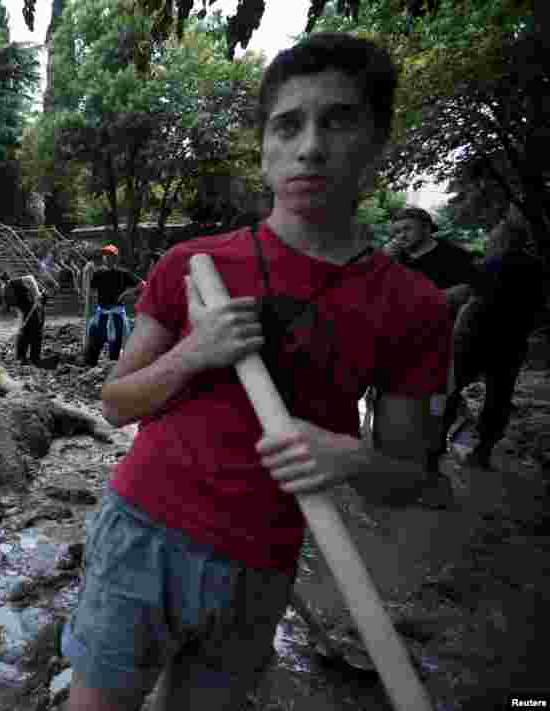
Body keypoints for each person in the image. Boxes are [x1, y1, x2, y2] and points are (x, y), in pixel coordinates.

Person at [62, 33, 453, 711]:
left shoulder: (413, 305)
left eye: (337, 120)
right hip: (141, 533)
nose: (310, 146)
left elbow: (411, 476)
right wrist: (194, 350)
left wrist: (350, 457)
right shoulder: (192, 264)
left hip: (263, 562)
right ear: (265, 150)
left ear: (378, 142)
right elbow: (117, 403)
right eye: (288, 125)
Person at [368, 206, 485, 505]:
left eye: (406, 229)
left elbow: (469, 292)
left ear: (426, 227)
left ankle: (429, 474)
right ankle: (390, 476)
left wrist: (429, 302)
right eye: (395, 232)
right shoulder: (392, 258)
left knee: (434, 409)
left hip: (437, 347)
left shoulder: (454, 256)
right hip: (394, 346)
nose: (400, 237)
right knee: (386, 406)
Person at [437, 239, 547, 469]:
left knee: (451, 390)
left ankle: (437, 444)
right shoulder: (538, 270)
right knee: (498, 397)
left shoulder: (489, 265)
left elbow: (458, 295)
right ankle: (482, 452)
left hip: (474, 335)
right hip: (512, 339)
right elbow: (540, 311)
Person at [83, 245, 146, 366]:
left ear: (116, 258)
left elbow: (143, 285)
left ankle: (112, 371)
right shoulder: (98, 274)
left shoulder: (123, 273)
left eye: (110, 255)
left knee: (115, 349)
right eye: (105, 255)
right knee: (94, 346)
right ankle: (90, 369)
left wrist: (127, 293)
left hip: (116, 315)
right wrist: (86, 276)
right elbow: (89, 292)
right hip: (102, 314)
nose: (107, 257)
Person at [0, 273, 49, 365]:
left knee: (35, 332)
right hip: (26, 309)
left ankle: (34, 359)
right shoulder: (6, 294)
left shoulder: (12, 284)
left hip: (34, 305)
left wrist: (37, 294)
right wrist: (20, 323)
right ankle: (21, 357)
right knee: (24, 332)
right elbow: (17, 309)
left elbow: (30, 278)